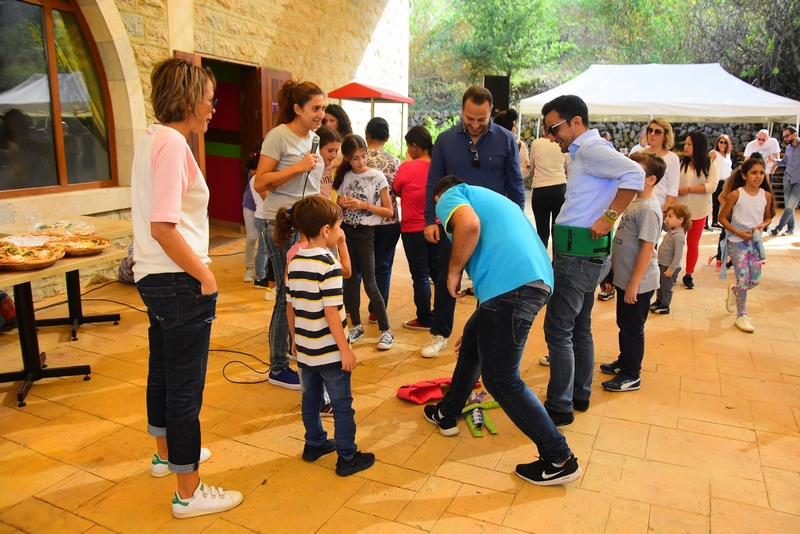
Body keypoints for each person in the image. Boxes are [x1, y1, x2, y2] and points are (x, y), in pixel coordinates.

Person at [131, 57, 243, 518]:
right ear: (189, 97)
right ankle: (188, 491)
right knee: (185, 387)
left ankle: (166, 455)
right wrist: (205, 274)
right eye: (210, 98)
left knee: (163, 370)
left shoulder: (151, 137)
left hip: (155, 277)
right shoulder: (174, 143)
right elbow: (163, 225)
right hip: (178, 279)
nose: (214, 107)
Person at [423, 176, 582, 486]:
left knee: (501, 380)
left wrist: (453, 272)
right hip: (530, 281)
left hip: (512, 289)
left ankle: (559, 458)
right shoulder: (492, 198)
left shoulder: (451, 195)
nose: (445, 222)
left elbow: (467, 226)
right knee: (471, 343)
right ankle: (447, 412)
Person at [539, 94, 645, 426]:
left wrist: (610, 216)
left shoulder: (593, 150)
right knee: (578, 328)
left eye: (554, 128)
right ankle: (579, 394)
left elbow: (636, 175)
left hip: (578, 256)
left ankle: (560, 405)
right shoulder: (584, 152)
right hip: (583, 254)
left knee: (558, 329)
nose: (552, 137)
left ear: (576, 122)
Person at [422, 85, 525, 358]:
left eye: (482, 119)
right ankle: (440, 332)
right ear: (462, 111)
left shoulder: (505, 140)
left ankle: (483, 334)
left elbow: (515, 185)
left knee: (490, 280)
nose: (475, 125)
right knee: (447, 276)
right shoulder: (445, 140)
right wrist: (430, 219)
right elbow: (433, 181)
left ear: (491, 112)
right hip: (452, 223)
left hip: (493, 226)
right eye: (470, 119)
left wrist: (517, 221)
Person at [282, 196, 375, 476]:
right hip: (331, 352)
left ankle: (314, 444)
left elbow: (290, 306)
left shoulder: (295, 260)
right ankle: (347, 457)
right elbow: (332, 312)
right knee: (341, 404)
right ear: (326, 231)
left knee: (310, 400)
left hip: (306, 349)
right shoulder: (329, 265)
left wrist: (295, 340)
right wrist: (345, 349)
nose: (340, 232)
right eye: (338, 227)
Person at [254, 80, 325, 390]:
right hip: (281, 223)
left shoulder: (314, 139)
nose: (321, 114)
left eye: (323, 108)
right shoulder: (278, 136)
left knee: (298, 292)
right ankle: (277, 365)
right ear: (297, 109)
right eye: (315, 108)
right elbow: (260, 182)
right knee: (286, 293)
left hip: (306, 223)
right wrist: (298, 167)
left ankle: (291, 348)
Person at [598, 152, 664, 392]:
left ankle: (631, 374)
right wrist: (614, 276)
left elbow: (647, 248)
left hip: (640, 283)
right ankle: (624, 361)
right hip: (626, 279)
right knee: (623, 324)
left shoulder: (648, 208)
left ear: (651, 179)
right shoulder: (635, 202)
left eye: (637, 172)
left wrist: (634, 284)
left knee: (633, 329)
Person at [333, 134, 395, 350]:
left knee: (370, 282)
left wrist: (363, 205)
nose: (361, 161)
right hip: (347, 232)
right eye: (355, 158)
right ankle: (356, 325)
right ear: (347, 159)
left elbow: (388, 211)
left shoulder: (377, 176)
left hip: (367, 233)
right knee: (349, 280)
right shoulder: (345, 176)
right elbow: (338, 208)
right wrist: (342, 204)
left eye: (363, 156)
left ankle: (386, 330)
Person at [718, 158, 774, 333]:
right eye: (753, 172)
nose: (758, 176)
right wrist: (737, 232)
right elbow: (722, 217)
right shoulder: (736, 194)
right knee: (743, 278)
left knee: (754, 279)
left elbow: (768, 216)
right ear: (744, 175)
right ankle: (741, 315)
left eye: (761, 172)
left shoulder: (766, 196)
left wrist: (763, 225)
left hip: (754, 242)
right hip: (737, 241)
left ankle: (735, 290)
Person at [394, 125, 439, 330]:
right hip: (438, 226)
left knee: (420, 274)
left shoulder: (407, 166)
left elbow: (396, 188)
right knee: (439, 275)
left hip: (413, 229)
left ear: (414, 146)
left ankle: (424, 318)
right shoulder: (439, 166)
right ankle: (440, 314)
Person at [363, 117, 401, 323]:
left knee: (358, 264)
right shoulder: (395, 161)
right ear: (387, 138)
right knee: (383, 266)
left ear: (366, 134)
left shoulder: (357, 158)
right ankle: (376, 310)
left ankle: (349, 306)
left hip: (361, 221)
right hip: (388, 222)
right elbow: (399, 188)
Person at [676, 131, 718, 290]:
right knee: (676, 242)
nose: (685, 147)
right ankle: (673, 270)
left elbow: (711, 186)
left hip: (698, 211)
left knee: (693, 244)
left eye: (689, 144)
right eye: (685, 144)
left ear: (698, 146)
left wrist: (688, 189)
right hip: (679, 211)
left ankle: (689, 274)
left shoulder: (710, 164)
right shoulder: (681, 163)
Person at [528, 127, 569, 249]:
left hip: (541, 189)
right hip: (560, 188)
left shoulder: (536, 143)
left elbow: (532, 165)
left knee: (542, 231)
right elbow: (568, 167)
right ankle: (557, 264)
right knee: (558, 229)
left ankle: (542, 263)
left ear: (544, 128)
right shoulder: (563, 144)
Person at [650, 204, 691, 315]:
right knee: (660, 285)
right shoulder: (672, 230)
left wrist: (671, 269)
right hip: (662, 264)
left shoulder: (678, 236)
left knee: (666, 287)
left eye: (670, 216)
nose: (667, 219)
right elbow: (663, 226)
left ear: (680, 220)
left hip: (669, 267)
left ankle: (665, 305)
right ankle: (659, 301)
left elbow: (678, 255)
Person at [769, 126, 799, 236]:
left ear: (794, 134)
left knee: (790, 206)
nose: (785, 139)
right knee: (788, 205)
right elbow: (785, 161)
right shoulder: (788, 148)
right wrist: (774, 161)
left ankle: (778, 228)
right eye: (784, 136)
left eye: (787, 136)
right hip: (787, 179)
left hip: (799, 181)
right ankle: (790, 229)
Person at [242, 144, 265, 284]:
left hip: (262, 209)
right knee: (251, 237)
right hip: (251, 206)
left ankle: (261, 272)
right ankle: (249, 268)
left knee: (264, 244)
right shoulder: (254, 164)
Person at [493, 109, 530, 180]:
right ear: (512, 129)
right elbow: (525, 170)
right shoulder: (519, 145)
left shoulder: (519, 145)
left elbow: (526, 170)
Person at [710, 134, 733, 228]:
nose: (723, 144)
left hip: (726, 181)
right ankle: (712, 221)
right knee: (714, 201)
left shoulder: (727, 154)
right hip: (717, 180)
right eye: (721, 142)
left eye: (725, 143)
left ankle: (720, 220)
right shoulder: (713, 153)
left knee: (723, 202)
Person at [316, 125, 341, 201]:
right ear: (317, 148)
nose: (334, 155)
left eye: (336, 151)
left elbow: (338, 163)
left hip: (329, 208)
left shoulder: (329, 164)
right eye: (330, 151)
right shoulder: (312, 168)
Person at [323, 104, 353, 168]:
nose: (328, 124)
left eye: (332, 121)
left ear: (340, 121)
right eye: (326, 121)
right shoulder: (322, 137)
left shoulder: (348, 140)